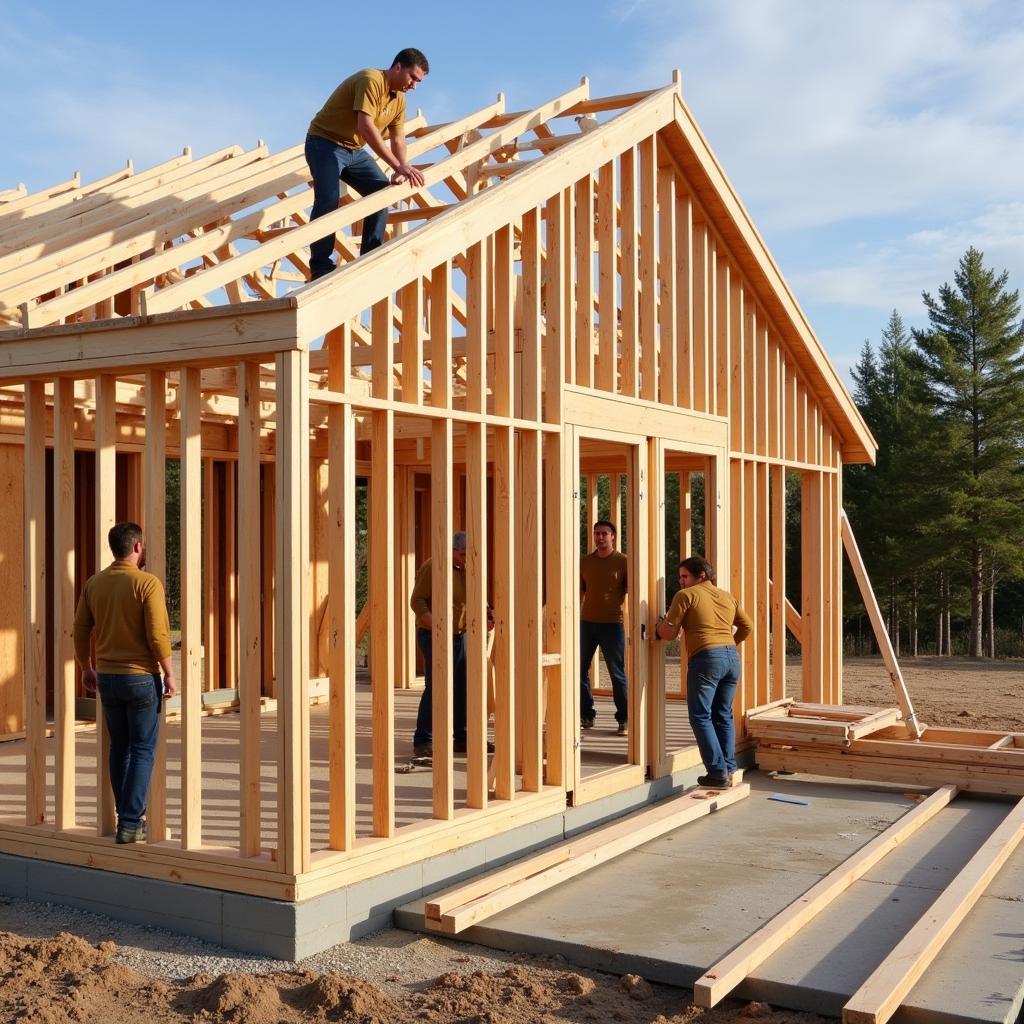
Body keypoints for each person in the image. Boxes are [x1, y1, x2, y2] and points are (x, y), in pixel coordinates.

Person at [73, 523, 176, 844]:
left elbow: (79, 629)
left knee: (120, 747)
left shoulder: (94, 584)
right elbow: (158, 633)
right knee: (143, 749)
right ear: (137, 547)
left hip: (108, 678)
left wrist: (85, 667)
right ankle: (131, 823)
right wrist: (169, 671)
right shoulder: (147, 583)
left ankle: (125, 818)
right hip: (141, 678)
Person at [305, 48, 429, 279]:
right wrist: (397, 166)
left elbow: (398, 138)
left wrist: (402, 167)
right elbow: (366, 127)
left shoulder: (399, 100)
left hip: (354, 150)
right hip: (324, 143)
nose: (414, 85)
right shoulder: (371, 80)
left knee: (380, 192)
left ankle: (370, 256)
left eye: (419, 82)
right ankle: (320, 266)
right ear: (398, 67)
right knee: (328, 199)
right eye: (412, 78)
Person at [655, 555, 752, 788]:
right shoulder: (727, 596)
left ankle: (717, 773)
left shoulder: (686, 596)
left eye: (685, 576)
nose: (681, 581)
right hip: (731, 658)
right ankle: (728, 767)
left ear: (701, 575)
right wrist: (728, 643)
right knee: (723, 714)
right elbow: (747, 626)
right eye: (680, 577)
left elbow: (668, 634)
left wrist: (659, 625)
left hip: (707, 659)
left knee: (700, 715)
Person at [410, 531, 494, 758]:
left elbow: (476, 595)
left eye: (470, 554)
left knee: (464, 687)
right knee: (437, 687)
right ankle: (423, 741)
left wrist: (487, 613)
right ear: (453, 551)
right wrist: (436, 625)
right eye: (463, 554)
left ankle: (464, 738)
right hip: (434, 636)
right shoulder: (434, 566)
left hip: (461, 635)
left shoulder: (469, 566)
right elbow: (416, 600)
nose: (467, 557)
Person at [580, 520, 629, 735]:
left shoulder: (623, 561)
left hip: (613, 624)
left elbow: (631, 591)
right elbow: (579, 591)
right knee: (579, 670)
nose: (600, 537)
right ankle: (586, 715)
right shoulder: (585, 562)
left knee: (616, 673)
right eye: (597, 534)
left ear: (613, 537)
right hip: (586, 622)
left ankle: (624, 719)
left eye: (604, 534)